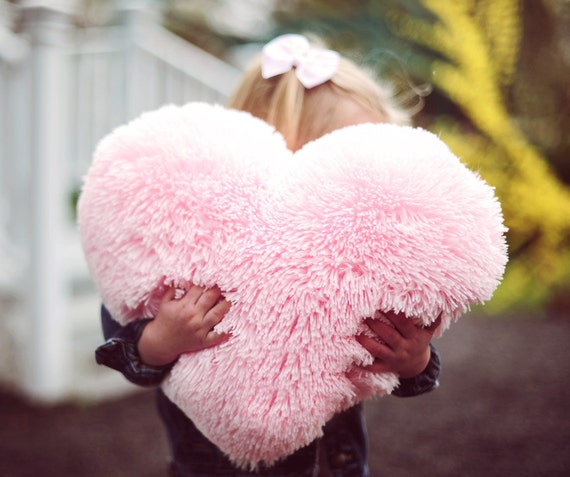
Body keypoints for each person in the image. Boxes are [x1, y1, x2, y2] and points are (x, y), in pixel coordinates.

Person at [95, 34, 441, 477]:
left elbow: (402, 349)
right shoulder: (195, 249)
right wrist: (164, 339)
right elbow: (123, 337)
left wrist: (415, 362)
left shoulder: (355, 260)